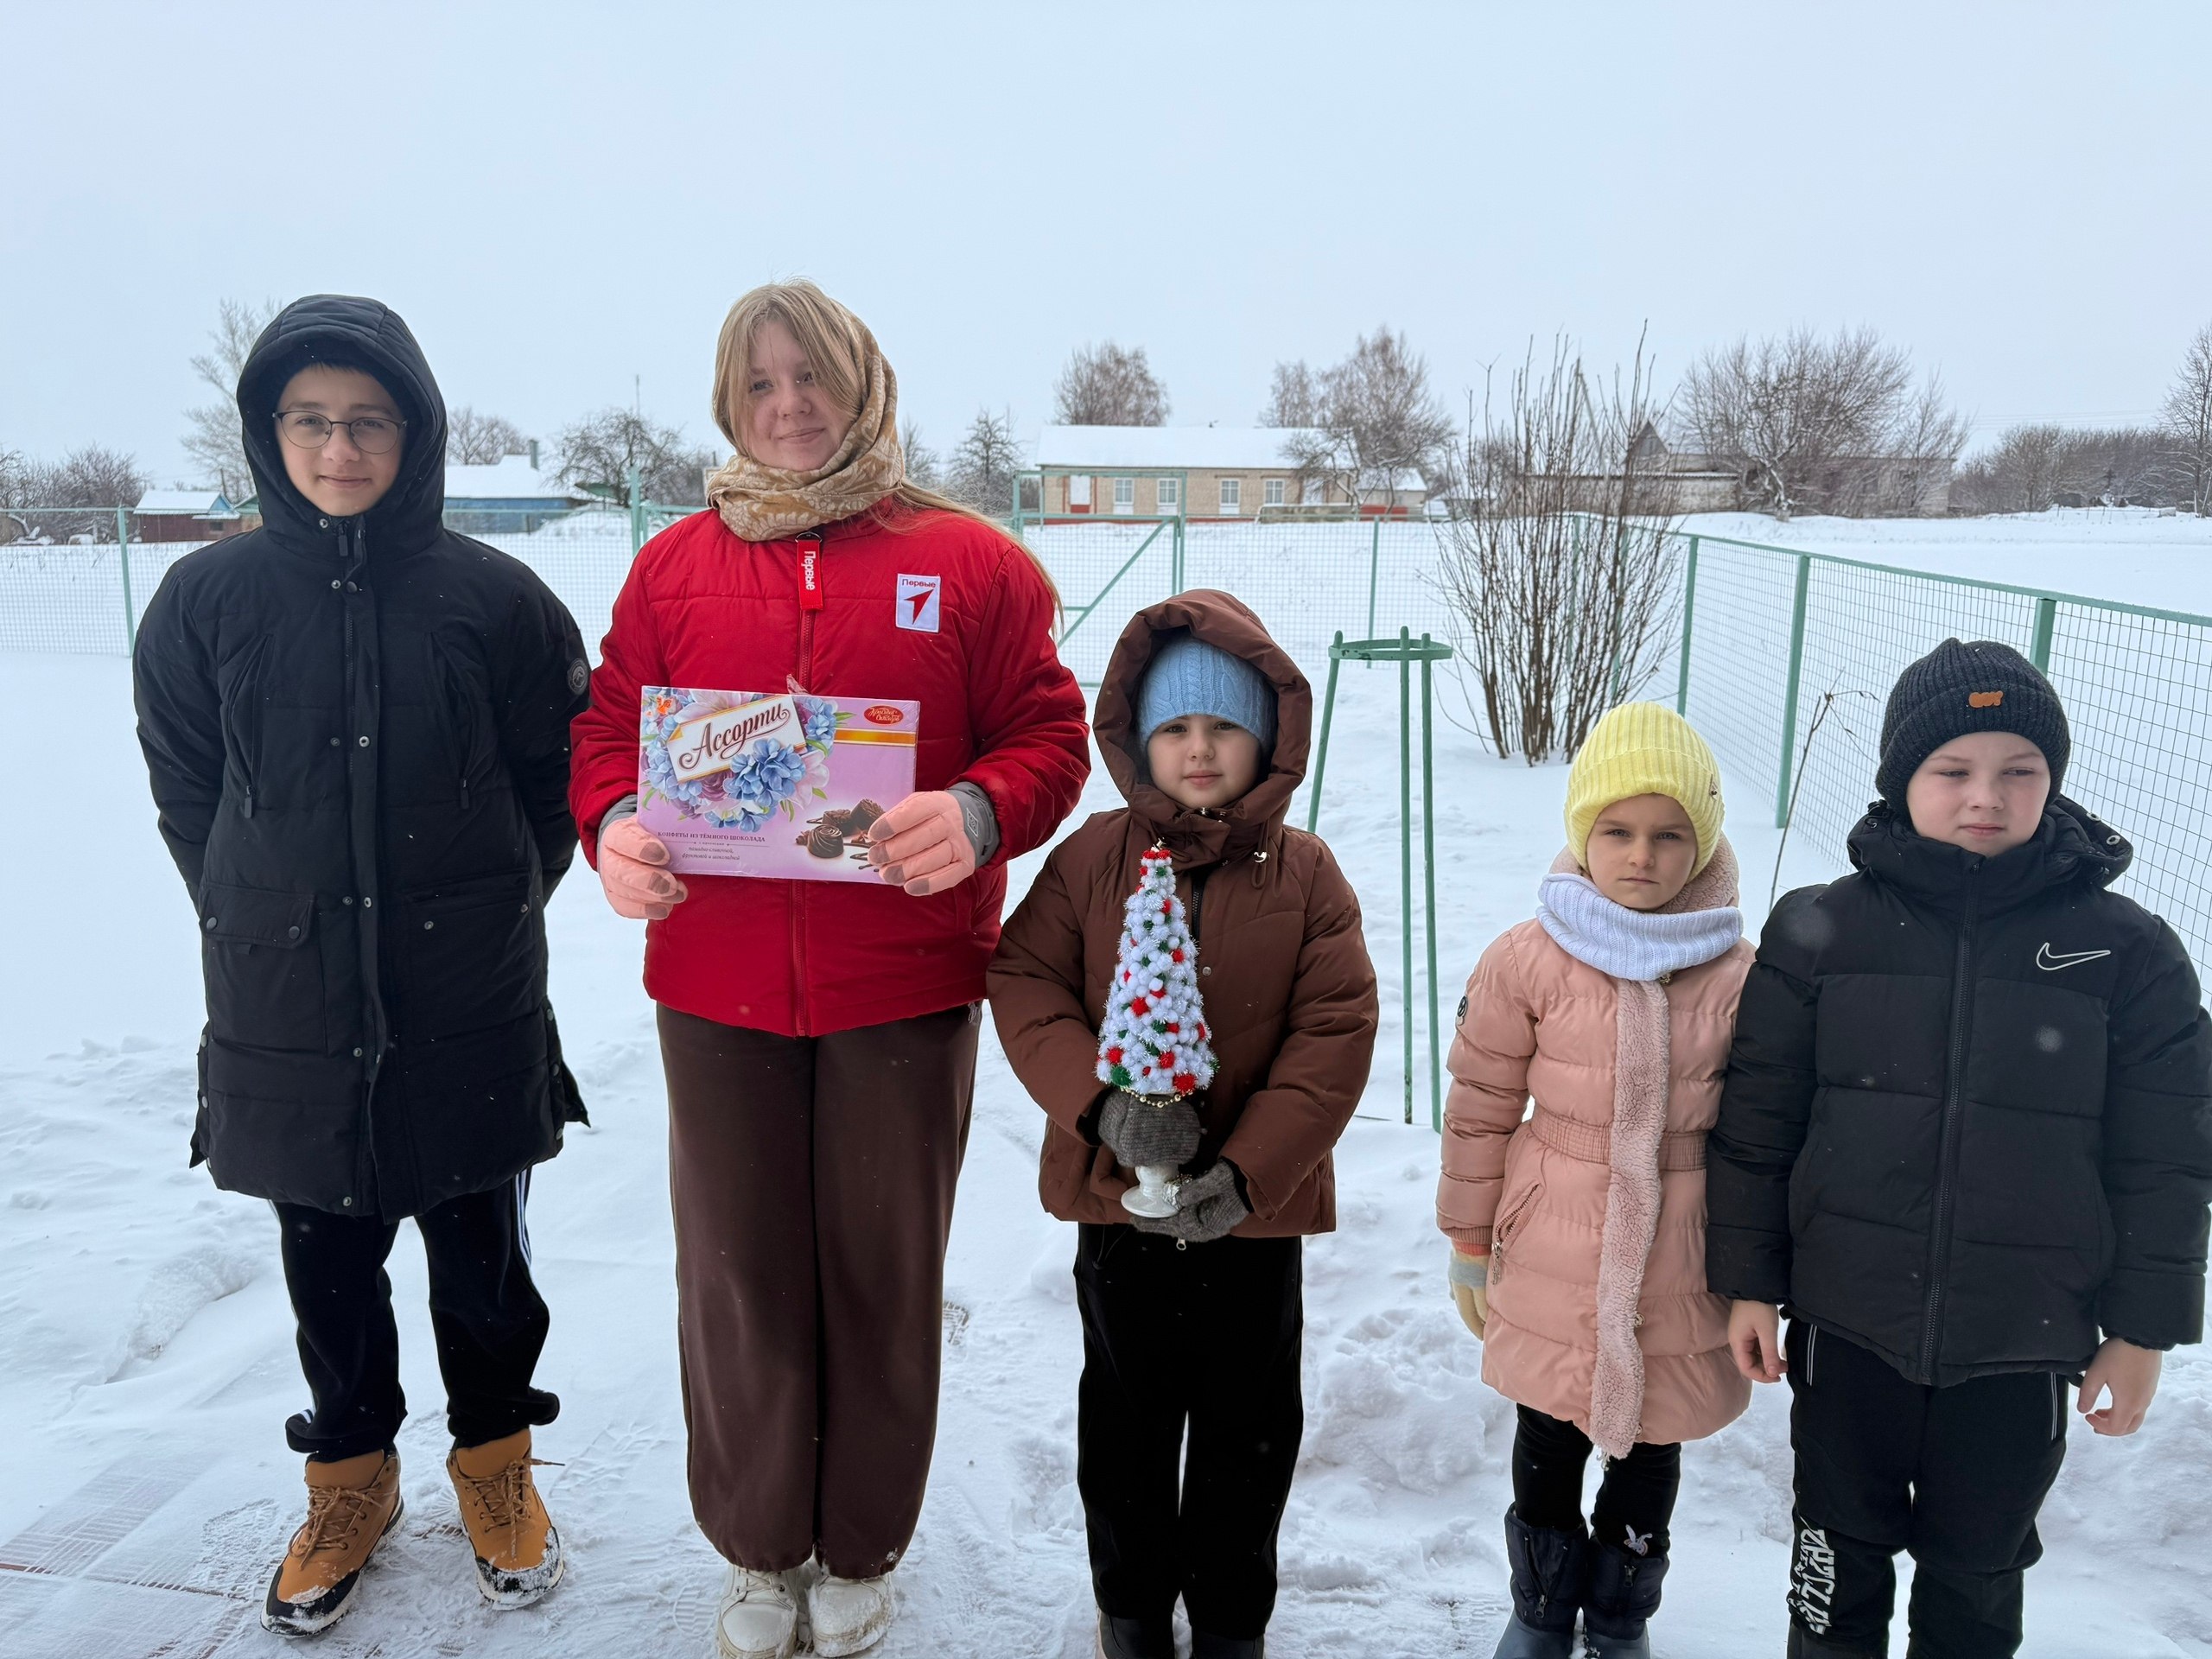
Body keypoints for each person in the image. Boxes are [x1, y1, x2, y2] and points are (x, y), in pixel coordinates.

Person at [567, 280, 1089, 1659]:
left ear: (865, 386)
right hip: (717, 984)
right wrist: (613, 828)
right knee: (737, 1270)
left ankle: (861, 1541)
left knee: (880, 1269)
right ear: (727, 403)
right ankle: (757, 1544)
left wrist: (977, 810)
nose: (789, 405)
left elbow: (1048, 735)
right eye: (760, 383)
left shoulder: (970, 563)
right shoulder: (672, 568)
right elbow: (609, 730)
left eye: (813, 377)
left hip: (902, 981)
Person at [132, 295, 590, 1637]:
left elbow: (553, 792)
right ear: (269, 433)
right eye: (312, 421)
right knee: (324, 1254)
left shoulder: (497, 601)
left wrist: (479, 905)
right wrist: (262, 909)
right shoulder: (204, 600)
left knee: (480, 1251)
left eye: (369, 421)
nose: (340, 449)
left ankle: (496, 1466)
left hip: (467, 989)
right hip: (288, 993)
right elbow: (190, 791)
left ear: (417, 432)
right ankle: (350, 1479)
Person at [1707, 639, 2212, 1659]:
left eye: (2019, 769)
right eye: (1952, 769)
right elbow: (1759, 1120)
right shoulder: (1819, 931)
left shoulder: (2126, 954)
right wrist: (1749, 1284)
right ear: (1901, 779)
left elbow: (2168, 1155)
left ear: (2052, 780)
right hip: (1847, 1322)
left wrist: (2142, 1330)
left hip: (2021, 1339)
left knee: (1978, 1574)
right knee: (1833, 1556)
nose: (1986, 795)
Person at [989, 594, 1379, 1659]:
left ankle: (1229, 1619)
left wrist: (1247, 1173)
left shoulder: (1306, 876)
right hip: (1120, 1206)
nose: (1198, 749)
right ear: (1137, 739)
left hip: (1251, 1220)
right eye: (1174, 727)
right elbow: (1026, 980)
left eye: (1222, 727)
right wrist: (1101, 1106)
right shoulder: (1092, 859)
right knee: (1126, 1418)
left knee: (1248, 1431)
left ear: (1267, 739)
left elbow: (1333, 1033)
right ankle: (1130, 1608)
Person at [1437, 703, 1752, 1659]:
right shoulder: (1526, 958)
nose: (1641, 856)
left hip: (1684, 1248)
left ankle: (1619, 1616)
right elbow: (1481, 1105)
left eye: (1668, 835)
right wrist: (1469, 1241)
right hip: (1553, 1240)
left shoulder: (1741, 973)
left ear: (1703, 843)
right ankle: (1540, 1609)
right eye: (1616, 831)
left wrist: (1759, 1271)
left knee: (1654, 1441)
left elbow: (1764, 1135)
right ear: (1582, 833)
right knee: (1548, 1429)